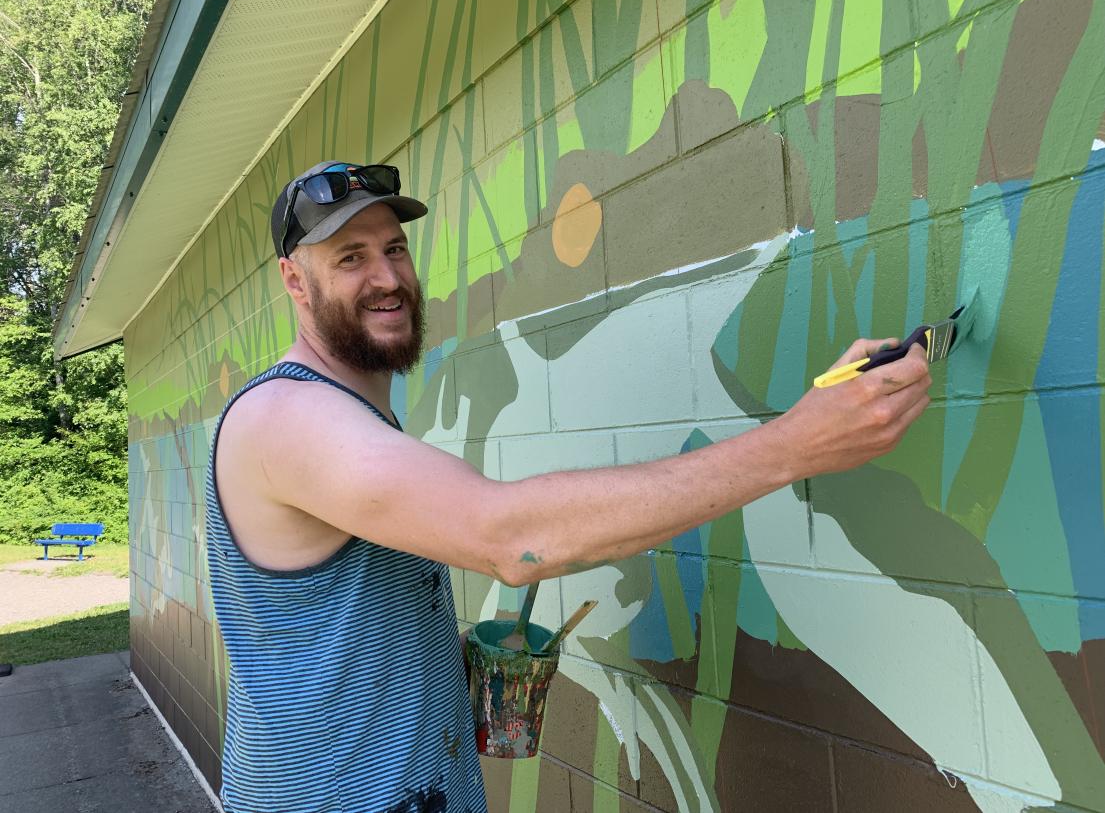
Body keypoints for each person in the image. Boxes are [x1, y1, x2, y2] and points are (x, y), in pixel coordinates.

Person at [205, 160, 932, 813]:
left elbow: (324, 617)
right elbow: (513, 540)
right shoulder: (287, 418)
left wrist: (441, 656)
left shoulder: (354, 418)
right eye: (350, 258)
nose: (388, 278)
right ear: (295, 281)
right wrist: (796, 443)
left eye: (394, 249)